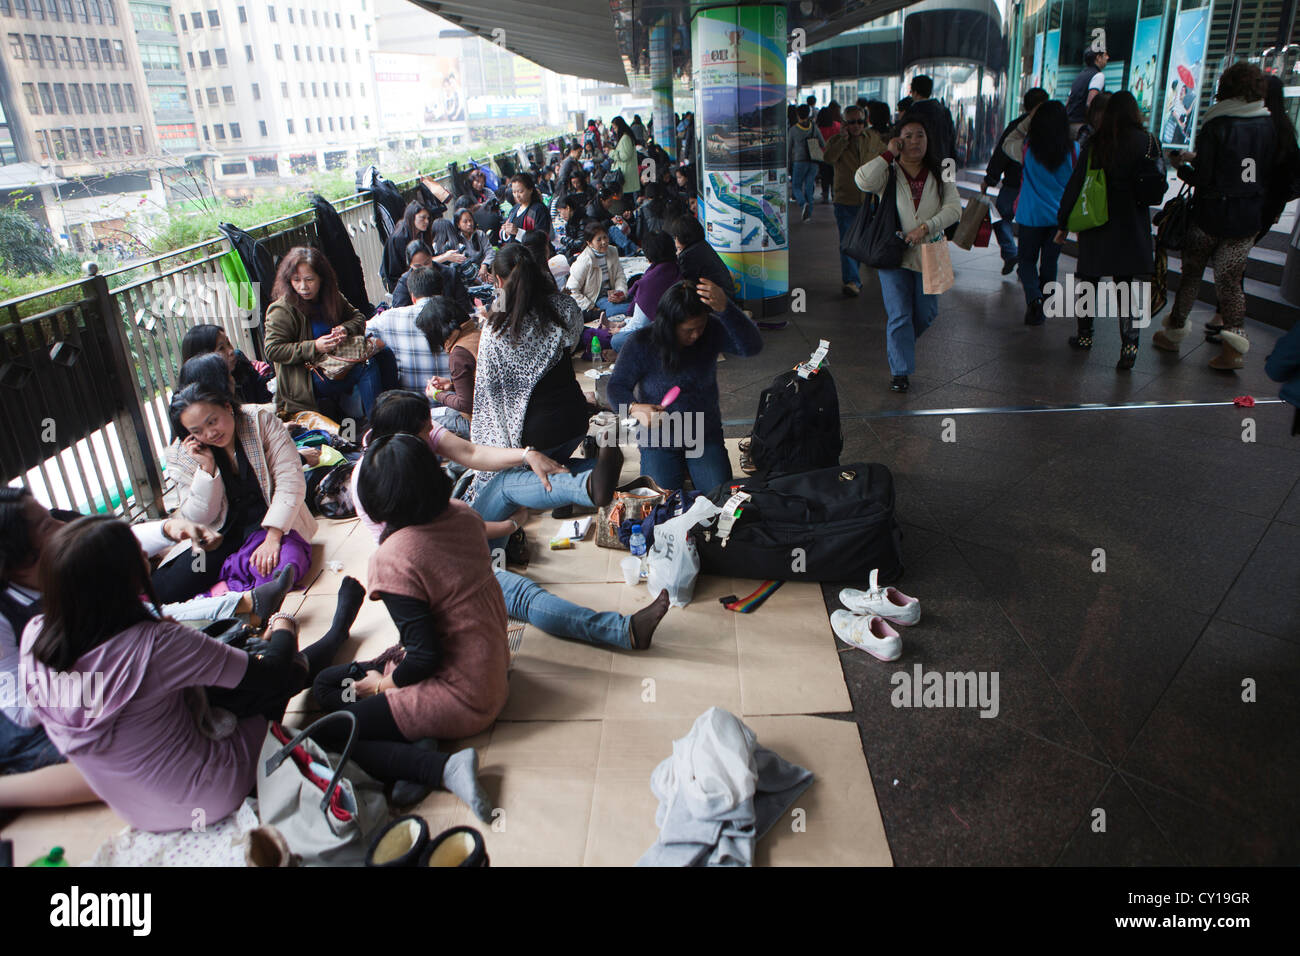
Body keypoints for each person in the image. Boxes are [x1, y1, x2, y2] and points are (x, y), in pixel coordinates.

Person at [22, 515, 491, 826]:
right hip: (211, 788)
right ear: (130, 578)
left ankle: (346, 649)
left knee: (284, 674)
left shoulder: (35, 640)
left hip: (138, 809)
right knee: (309, 718)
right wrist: (283, 625)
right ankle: (435, 761)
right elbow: (273, 679)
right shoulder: (155, 644)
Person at [350, 405, 669, 653]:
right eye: (425, 432)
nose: (432, 434)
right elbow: (450, 540)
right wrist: (514, 523)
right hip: (442, 570)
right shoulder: (376, 489)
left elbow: (472, 456)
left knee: (505, 483)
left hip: (457, 537)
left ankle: (590, 487)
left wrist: (528, 454)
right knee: (524, 595)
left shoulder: (410, 450)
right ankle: (624, 631)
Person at [1152, 63, 1276, 370]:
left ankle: (1173, 333)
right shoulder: (1267, 124)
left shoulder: (1217, 123)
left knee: (1192, 274)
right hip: (1247, 217)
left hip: (1211, 215)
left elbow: (1206, 176)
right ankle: (1233, 348)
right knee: (1230, 281)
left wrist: (1183, 169)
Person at [152, 380, 315, 604]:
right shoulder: (183, 454)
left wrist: (273, 537)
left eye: (213, 421)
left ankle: (231, 586)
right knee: (172, 588)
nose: (210, 433)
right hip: (220, 536)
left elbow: (290, 481)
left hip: (273, 526)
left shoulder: (260, 420)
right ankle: (231, 580)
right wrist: (206, 471)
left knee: (285, 564)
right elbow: (198, 518)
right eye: (197, 431)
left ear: (228, 406)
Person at [608, 278, 761, 492]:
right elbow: (616, 387)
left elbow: (752, 346)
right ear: (669, 325)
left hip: (703, 432)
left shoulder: (711, 331)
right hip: (659, 437)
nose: (696, 334)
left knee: (719, 498)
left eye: (700, 326)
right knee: (661, 501)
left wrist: (727, 308)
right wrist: (634, 408)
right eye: (689, 330)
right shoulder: (642, 342)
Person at [854, 112, 962, 392]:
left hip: (933, 251)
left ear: (929, 139)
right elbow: (862, 181)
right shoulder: (888, 172)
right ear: (898, 141)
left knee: (927, 313)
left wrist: (926, 227)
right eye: (908, 136)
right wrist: (887, 155)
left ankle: (899, 345)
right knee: (900, 314)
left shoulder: (942, 171)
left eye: (920, 135)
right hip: (893, 252)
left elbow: (953, 209)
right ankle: (900, 370)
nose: (915, 141)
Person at [1054, 91, 1162, 369]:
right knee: (1127, 287)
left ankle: (1085, 336)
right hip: (1131, 224)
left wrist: (1064, 222)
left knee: (1088, 282)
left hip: (1097, 222)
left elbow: (1076, 184)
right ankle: (1129, 345)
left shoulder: (1097, 142)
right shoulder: (1148, 141)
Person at [470, 245, 589, 494]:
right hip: (576, 421)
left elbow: (488, 398)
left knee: (505, 488)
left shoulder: (495, 330)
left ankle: (572, 483)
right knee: (557, 454)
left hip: (535, 439)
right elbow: (575, 339)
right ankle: (582, 472)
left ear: (499, 281)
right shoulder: (564, 307)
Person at [263, 246, 399, 419]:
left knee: (384, 353)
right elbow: (272, 350)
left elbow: (358, 317)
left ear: (321, 278)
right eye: (296, 280)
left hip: (338, 359)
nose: (303, 287)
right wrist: (315, 346)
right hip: (307, 376)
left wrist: (345, 329)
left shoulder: (331, 296)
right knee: (367, 366)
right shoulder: (282, 309)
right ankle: (379, 425)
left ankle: (395, 410)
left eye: (309, 279)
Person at [1001, 100, 1078, 325]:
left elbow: (1007, 142)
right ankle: (1043, 303)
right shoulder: (1074, 150)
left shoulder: (1026, 148)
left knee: (1026, 260)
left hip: (1030, 215)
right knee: (1050, 263)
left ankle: (1033, 299)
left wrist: (1028, 119)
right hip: (1058, 217)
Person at [983, 87, 1050, 277]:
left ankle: (1013, 254)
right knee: (1028, 227)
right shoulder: (1052, 129)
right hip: (1034, 187)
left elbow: (1002, 152)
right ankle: (1023, 263)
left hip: (1015, 183)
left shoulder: (1017, 126)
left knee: (1000, 217)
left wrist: (990, 178)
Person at [824, 103, 888, 296]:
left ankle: (857, 271)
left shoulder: (873, 139)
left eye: (860, 121)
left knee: (863, 240)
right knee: (847, 240)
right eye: (852, 122)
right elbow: (828, 158)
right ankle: (852, 280)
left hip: (869, 199)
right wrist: (843, 140)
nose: (857, 126)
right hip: (845, 199)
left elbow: (886, 157)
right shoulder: (836, 141)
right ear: (844, 123)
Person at [366, 266, 449, 392]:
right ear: (442, 292)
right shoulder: (459, 316)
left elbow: (361, 332)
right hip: (454, 405)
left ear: (412, 296)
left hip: (409, 406)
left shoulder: (389, 317)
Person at [612, 230, 682, 351]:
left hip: (665, 332)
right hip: (673, 326)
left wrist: (620, 330)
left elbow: (640, 324)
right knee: (617, 310)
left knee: (617, 340)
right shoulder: (675, 267)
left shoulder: (650, 282)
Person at [180, 324, 272, 405]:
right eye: (221, 348)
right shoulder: (200, 399)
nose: (231, 351)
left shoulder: (240, 363)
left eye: (228, 343)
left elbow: (264, 391)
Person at [567, 221, 631, 320]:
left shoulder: (612, 251)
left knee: (637, 298)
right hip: (596, 299)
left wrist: (620, 293)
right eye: (599, 240)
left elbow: (620, 276)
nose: (604, 242)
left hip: (612, 294)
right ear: (589, 243)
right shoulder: (585, 261)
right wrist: (590, 307)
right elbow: (572, 289)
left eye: (605, 237)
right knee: (629, 308)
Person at [670, 214, 737, 302]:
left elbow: (687, 287)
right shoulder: (702, 245)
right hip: (728, 296)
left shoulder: (688, 256)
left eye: (675, 238)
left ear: (681, 238)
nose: (675, 242)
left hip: (717, 303)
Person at [384, 202, 436, 291]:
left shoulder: (422, 233)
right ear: (412, 217)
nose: (426, 222)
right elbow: (397, 271)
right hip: (399, 281)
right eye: (422, 218)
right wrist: (444, 257)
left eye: (428, 218)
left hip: (420, 276)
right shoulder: (399, 238)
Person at [789, 104, 826, 221]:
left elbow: (789, 148)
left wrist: (788, 162)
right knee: (809, 186)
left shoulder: (793, 129)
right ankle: (808, 215)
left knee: (796, 186)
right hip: (814, 160)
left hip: (799, 160)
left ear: (797, 115)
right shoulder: (814, 127)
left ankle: (802, 203)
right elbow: (823, 143)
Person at [906, 75, 956, 162]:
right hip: (944, 164)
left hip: (921, 168)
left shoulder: (912, 113)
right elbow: (951, 143)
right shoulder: (944, 111)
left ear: (915, 92)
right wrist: (949, 173)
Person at [497, 173, 552, 250]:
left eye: (520, 191)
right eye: (514, 192)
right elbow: (505, 232)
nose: (517, 196)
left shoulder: (539, 210)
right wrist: (506, 232)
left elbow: (542, 237)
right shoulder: (514, 209)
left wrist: (517, 232)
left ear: (530, 190)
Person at [1066, 47, 1110, 137]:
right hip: (1082, 127)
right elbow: (1091, 102)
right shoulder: (1098, 75)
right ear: (1098, 58)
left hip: (1069, 125)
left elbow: (1068, 102)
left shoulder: (1080, 76)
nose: (1107, 57)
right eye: (1105, 55)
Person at [585, 185, 639, 257]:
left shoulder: (602, 208)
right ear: (602, 200)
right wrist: (611, 222)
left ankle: (632, 249)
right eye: (609, 202)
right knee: (613, 229)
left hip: (604, 233)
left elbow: (611, 218)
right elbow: (594, 227)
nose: (611, 204)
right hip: (596, 237)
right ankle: (633, 250)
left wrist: (622, 217)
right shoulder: (592, 210)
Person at [816, 101, 843, 204]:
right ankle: (834, 194)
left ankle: (825, 194)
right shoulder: (837, 126)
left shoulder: (818, 128)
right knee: (833, 175)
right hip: (835, 155)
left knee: (824, 176)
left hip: (822, 155)